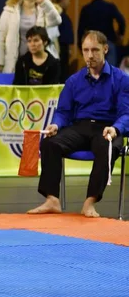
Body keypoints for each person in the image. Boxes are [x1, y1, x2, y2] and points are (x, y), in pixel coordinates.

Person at [27, 30, 129, 218]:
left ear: (105, 49)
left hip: (107, 128)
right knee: (50, 142)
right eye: (86, 50)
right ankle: (52, 200)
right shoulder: (74, 81)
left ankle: (89, 202)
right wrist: (56, 125)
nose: (90, 55)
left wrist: (116, 129)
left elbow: (126, 113)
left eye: (95, 50)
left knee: (106, 147)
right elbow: (63, 112)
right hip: (80, 127)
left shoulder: (122, 79)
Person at [0, 0, 62, 73]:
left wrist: (43, 2)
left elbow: (56, 20)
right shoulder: (10, 10)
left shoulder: (43, 9)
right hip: (15, 61)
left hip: (39, 60)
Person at [77, 0, 126, 67]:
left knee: (94, 72)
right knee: (110, 72)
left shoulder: (86, 9)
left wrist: (80, 45)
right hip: (108, 41)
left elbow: (80, 30)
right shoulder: (110, 7)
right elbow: (121, 21)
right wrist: (120, 34)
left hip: (92, 44)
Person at [56, 0, 73, 82]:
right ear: (62, 0)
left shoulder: (65, 15)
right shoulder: (57, 15)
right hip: (59, 46)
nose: (69, 3)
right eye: (68, 0)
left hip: (65, 46)